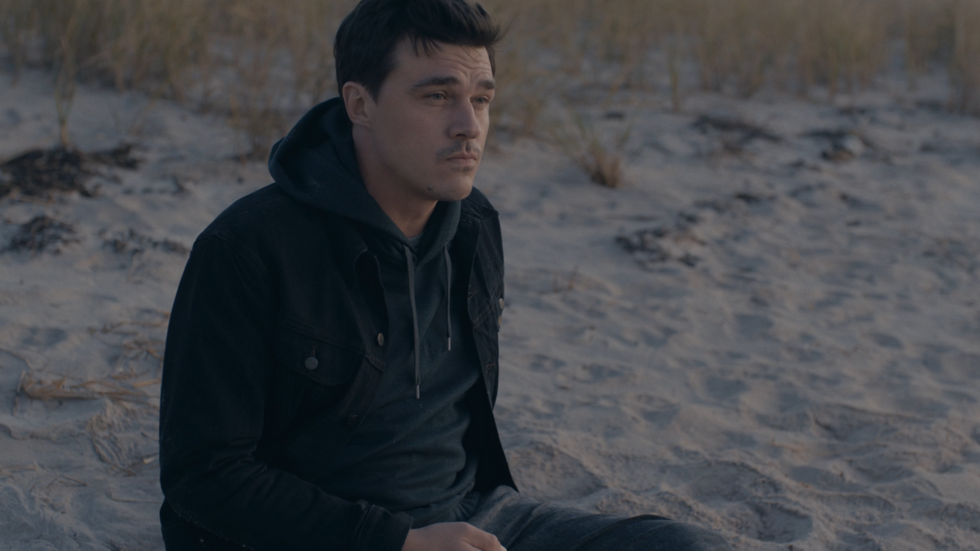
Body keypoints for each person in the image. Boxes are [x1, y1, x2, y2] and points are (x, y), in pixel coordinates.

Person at [158, 0, 734, 549]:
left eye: (481, 99)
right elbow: (203, 475)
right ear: (360, 104)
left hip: (472, 517)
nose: (468, 126)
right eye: (437, 96)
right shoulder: (248, 248)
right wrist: (397, 543)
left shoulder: (474, 225)